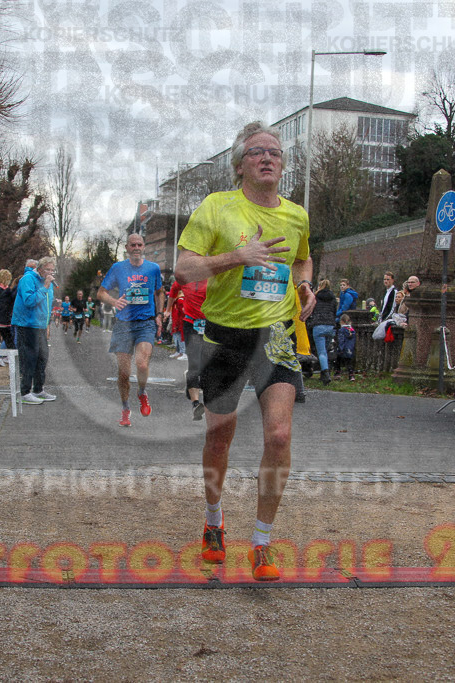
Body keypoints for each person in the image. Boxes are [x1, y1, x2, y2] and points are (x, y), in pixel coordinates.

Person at [175, 120, 315, 581]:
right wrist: (237, 256)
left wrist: (306, 284)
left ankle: (261, 542)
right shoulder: (216, 208)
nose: (268, 157)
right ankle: (214, 523)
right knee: (220, 435)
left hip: (275, 336)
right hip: (223, 337)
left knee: (278, 435)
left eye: (274, 152)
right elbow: (183, 269)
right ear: (239, 165)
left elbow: (301, 258)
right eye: (257, 152)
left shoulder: (296, 215)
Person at [97, 232, 164, 427]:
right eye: (132, 245)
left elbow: (160, 292)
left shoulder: (153, 268)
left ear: (144, 247)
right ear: (126, 248)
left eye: (139, 245)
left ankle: (142, 392)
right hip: (124, 325)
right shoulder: (118, 268)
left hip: (145, 323)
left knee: (142, 364)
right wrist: (114, 301)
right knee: (124, 373)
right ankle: (126, 408)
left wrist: (159, 315)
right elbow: (101, 293)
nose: (136, 248)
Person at [11, 256, 57, 405]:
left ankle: (38, 389)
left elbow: (47, 305)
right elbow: (29, 301)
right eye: (48, 269)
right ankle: (25, 392)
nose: (50, 273)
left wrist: (47, 324)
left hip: (41, 326)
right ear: (40, 268)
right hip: (27, 324)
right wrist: (44, 287)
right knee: (29, 357)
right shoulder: (28, 279)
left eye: (52, 270)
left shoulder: (47, 283)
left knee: (42, 358)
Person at [167, 276, 209, 420]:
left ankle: (191, 384)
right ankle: (196, 404)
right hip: (191, 324)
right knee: (194, 363)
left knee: (206, 363)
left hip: (211, 324)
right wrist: (167, 310)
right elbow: (173, 289)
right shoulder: (186, 279)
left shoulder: (215, 278)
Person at [307, 279, 337, 383]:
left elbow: (311, 309)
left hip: (318, 324)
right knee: (326, 349)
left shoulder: (315, 297)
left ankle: (325, 373)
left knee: (321, 352)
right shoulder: (333, 297)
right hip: (330, 325)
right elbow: (334, 311)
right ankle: (324, 371)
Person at [335, 313, 356, 380]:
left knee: (338, 360)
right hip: (350, 348)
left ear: (341, 321)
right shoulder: (352, 330)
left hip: (343, 348)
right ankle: (351, 375)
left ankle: (338, 373)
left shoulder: (342, 330)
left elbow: (341, 340)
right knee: (349, 362)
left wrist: (340, 348)